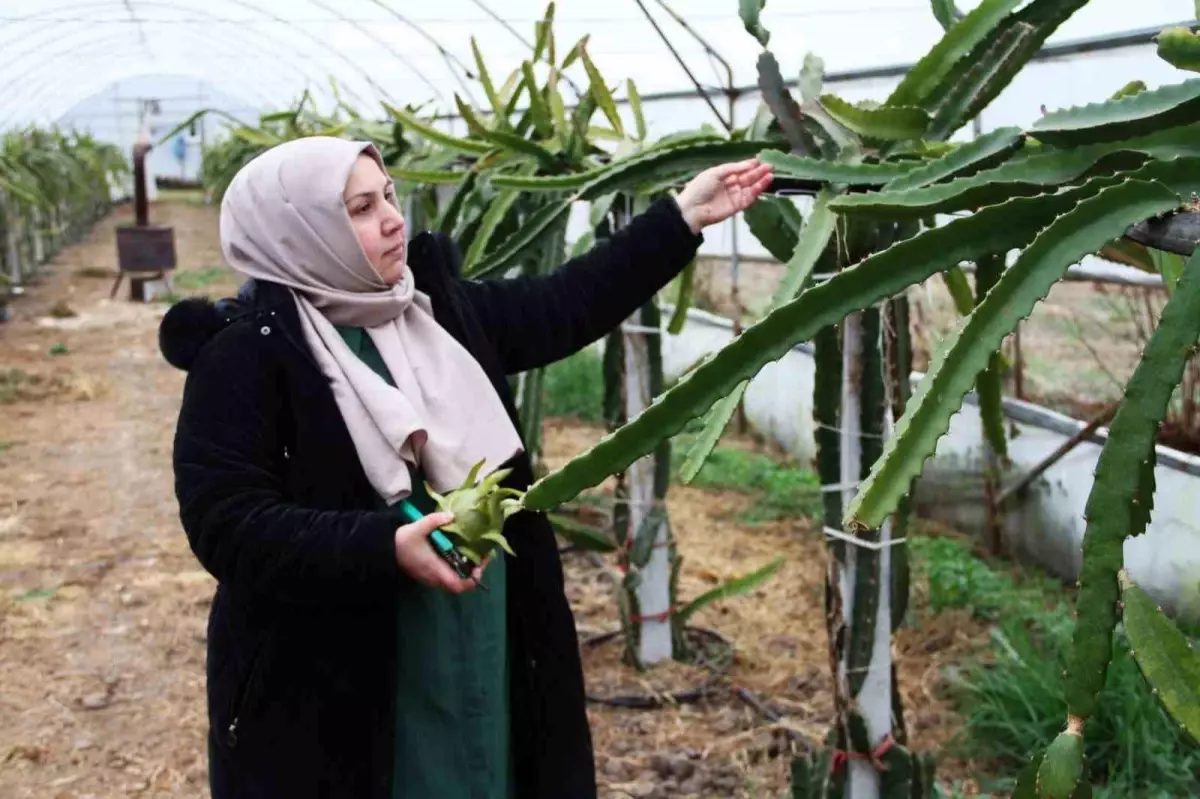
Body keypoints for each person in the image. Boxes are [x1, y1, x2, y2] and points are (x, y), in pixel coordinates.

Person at [158, 135, 772, 799]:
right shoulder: (245, 356)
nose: (394, 218)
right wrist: (382, 546)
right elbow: (228, 523)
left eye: (388, 196)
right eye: (360, 208)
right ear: (299, 231)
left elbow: (565, 302)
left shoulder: (433, 310)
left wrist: (680, 217)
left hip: (481, 636)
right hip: (340, 679)